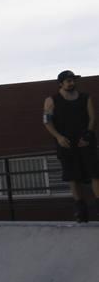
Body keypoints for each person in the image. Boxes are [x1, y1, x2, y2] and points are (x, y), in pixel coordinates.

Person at [43, 70, 99, 222]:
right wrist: (58, 137)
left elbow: (92, 117)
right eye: (68, 81)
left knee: (95, 174)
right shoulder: (51, 100)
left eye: (73, 80)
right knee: (72, 177)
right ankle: (81, 211)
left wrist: (88, 134)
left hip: (86, 142)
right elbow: (47, 121)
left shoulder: (85, 97)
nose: (72, 83)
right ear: (61, 83)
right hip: (66, 144)